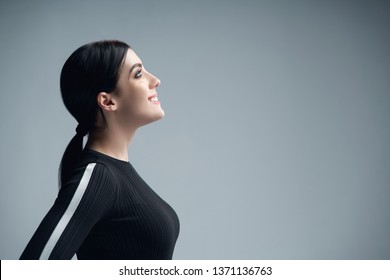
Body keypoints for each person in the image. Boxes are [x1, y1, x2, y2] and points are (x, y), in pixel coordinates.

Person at [20, 40, 180, 260]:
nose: (156, 81)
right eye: (138, 74)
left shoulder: (113, 174)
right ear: (107, 101)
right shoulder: (99, 176)